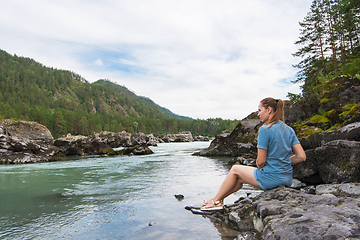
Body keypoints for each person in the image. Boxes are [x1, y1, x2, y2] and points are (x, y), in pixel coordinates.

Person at [201, 97, 306, 211]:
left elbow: (261, 162)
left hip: (271, 178)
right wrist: (283, 161)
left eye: (260, 110)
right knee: (239, 179)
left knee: (235, 169)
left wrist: (262, 164)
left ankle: (214, 201)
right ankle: (219, 200)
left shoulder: (265, 129)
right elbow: (301, 156)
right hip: (287, 179)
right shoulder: (289, 129)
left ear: (269, 110)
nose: (258, 114)